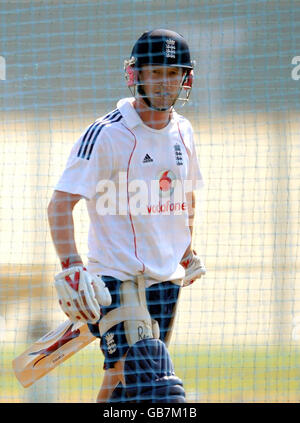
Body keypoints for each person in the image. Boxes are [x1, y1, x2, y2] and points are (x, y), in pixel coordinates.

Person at [47, 28, 206, 403]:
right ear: (137, 75)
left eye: (173, 73)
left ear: (186, 78)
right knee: (156, 384)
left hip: (165, 277)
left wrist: (186, 249)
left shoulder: (184, 131)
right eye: (156, 73)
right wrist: (72, 267)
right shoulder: (107, 134)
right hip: (116, 276)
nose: (165, 83)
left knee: (121, 382)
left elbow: (186, 196)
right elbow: (59, 204)